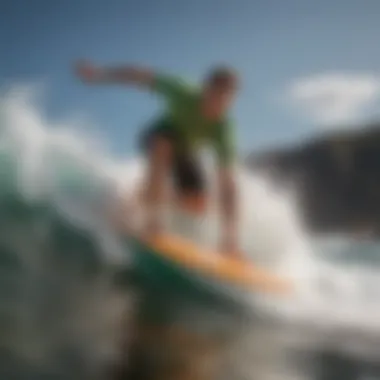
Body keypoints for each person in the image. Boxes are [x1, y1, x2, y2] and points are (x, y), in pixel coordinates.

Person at [74, 60, 240, 255]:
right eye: (215, 95)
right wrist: (101, 74)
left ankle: (136, 198)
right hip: (159, 135)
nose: (218, 104)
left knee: (198, 204)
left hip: (184, 152)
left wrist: (230, 239)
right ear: (205, 88)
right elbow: (139, 75)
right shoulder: (182, 90)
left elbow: (228, 184)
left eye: (226, 99)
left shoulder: (224, 129)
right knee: (164, 145)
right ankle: (152, 220)